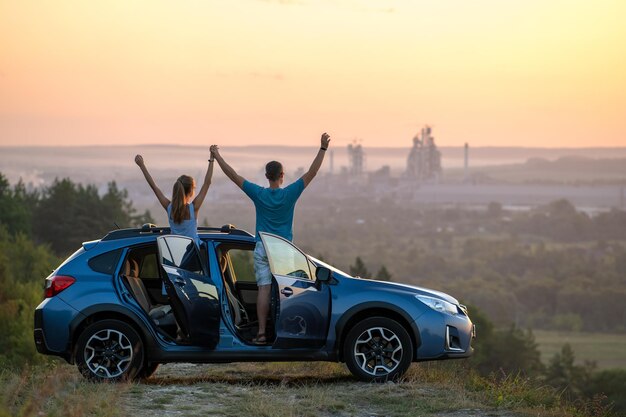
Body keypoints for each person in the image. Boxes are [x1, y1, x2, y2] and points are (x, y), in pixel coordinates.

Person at [210, 133, 331, 344]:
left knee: (263, 290)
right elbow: (312, 173)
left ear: (267, 176)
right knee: (288, 291)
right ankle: (287, 333)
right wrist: (322, 149)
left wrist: (217, 156)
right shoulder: (290, 194)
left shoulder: (259, 194)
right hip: (283, 249)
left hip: (262, 248)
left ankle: (262, 333)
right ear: (282, 175)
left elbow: (233, 176)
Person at [134, 153, 214, 247]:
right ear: (190, 191)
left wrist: (142, 165)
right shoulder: (193, 208)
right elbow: (207, 183)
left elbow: (154, 187)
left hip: (176, 255)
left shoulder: (169, 208)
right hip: (193, 255)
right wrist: (212, 159)